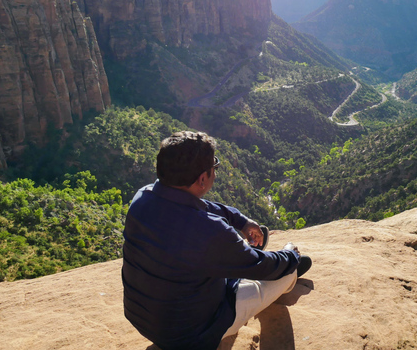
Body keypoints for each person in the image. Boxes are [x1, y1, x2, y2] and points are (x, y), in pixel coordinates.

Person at [122, 131, 312, 350]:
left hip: (144, 321)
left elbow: (202, 207)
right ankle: (286, 279)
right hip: (192, 334)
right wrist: (291, 256)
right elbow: (263, 267)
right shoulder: (209, 231)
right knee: (281, 273)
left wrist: (240, 221)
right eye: (215, 167)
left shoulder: (142, 198)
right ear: (203, 178)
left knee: (218, 260)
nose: (215, 172)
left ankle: (238, 260)